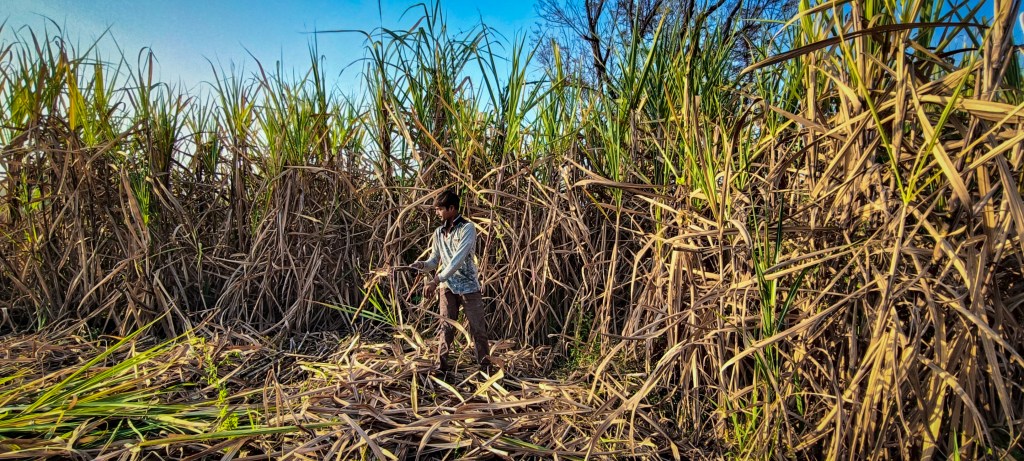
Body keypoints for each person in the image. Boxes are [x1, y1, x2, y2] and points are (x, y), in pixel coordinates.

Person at [410, 189, 492, 373]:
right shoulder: (439, 233)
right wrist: (420, 265)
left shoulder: (467, 229)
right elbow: (434, 260)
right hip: (447, 287)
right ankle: (442, 367)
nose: (437, 213)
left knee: (478, 329)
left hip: (469, 287)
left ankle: (486, 368)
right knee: (445, 329)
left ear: (452, 208)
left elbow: (457, 259)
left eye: (440, 209)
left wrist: (435, 280)